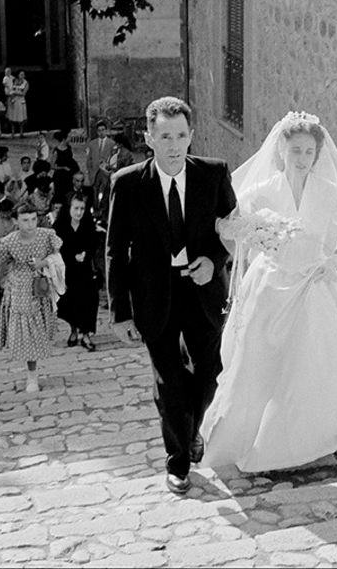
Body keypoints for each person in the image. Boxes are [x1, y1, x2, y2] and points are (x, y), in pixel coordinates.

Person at [200, 111, 337, 472]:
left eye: (309, 152)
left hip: (314, 287)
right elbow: (229, 224)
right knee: (262, 361)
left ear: (318, 153)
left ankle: (315, 438)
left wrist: (329, 255)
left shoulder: (328, 192)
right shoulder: (264, 190)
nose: (302, 159)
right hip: (271, 286)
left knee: (314, 362)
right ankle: (257, 438)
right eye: (296, 150)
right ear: (282, 149)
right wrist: (259, 236)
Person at [107, 96, 237, 495]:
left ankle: (192, 428)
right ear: (149, 138)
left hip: (202, 292)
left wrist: (214, 262)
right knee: (170, 385)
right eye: (164, 136)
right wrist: (120, 313)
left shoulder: (213, 175)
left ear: (191, 135)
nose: (173, 144)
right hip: (153, 297)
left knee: (211, 374)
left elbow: (233, 232)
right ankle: (178, 460)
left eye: (180, 135)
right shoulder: (127, 184)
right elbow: (114, 249)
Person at [0, 201, 63, 392]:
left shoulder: (46, 236)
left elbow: (58, 259)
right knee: (27, 334)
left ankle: (34, 371)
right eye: (25, 220)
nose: (30, 225)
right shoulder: (9, 242)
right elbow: (2, 265)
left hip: (41, 287)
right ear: (16, 221)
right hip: (19, 290)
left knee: (39, 331)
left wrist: (44, 262)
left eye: (33, 220)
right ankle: (32, 375)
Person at [54, 194, 100, 350]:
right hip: (66, 270)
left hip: (85, 270)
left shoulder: (88, 224)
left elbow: (94, 243)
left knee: (88, 300)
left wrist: (86, 253)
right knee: (69, 301)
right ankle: (74, 329)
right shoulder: (60, 225)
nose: (79, 212)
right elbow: (56, 246)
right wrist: (71, 256)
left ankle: (85, 334)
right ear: (69, 208)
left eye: (82, 209)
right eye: (76, 208)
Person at [51, 130, 79, 199]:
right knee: (60, 195)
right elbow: (52, 166)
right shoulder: (56, 151)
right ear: (64, 139)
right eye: (69, 137)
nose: (70, 139)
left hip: (70, 175)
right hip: (60, 177)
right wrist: (63, 167)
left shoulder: (69, 147)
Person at [8, 71, 29, 137]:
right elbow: (10, 90)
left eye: (23, 74)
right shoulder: (14, 81)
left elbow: (23, 93)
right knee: (12, 117)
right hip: (13, 101)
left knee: (21, 118)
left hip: (20, 101)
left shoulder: (26, 83)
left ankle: (21, 132)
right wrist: (11, 95)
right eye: (21, 74)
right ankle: (13, 132)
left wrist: (15, 93)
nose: (22, 76)